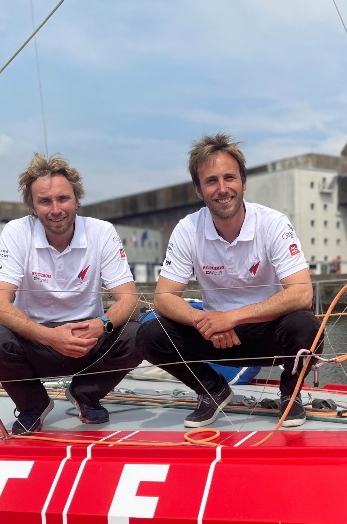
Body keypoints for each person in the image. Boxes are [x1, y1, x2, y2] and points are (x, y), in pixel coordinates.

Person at [136, 133, 322, 428]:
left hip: (268, 332)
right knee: (149, 335)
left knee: (308, 327)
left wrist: (232, 317)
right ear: (199, 190)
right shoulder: (188, 228)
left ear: (243, 183)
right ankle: (212, 389)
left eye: (229, 178)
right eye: (211, 181)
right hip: (215, 337)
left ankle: (290, 393)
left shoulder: (273, 223)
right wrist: (206, 321)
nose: (222, 189)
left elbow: (301, 294)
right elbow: (163, 297)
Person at [0, 153, 141, 435]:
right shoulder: (16, 232)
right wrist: (49, 336)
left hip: (89, 336)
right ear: (32, 206)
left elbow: (130, 302)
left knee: (140, 333)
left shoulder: (101, 232)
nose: (56, 209)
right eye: (45, 201)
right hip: (36, 339)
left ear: (77, 199)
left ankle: (86, 394)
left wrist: (101, 324)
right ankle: (33, 404)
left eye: (63, 198)